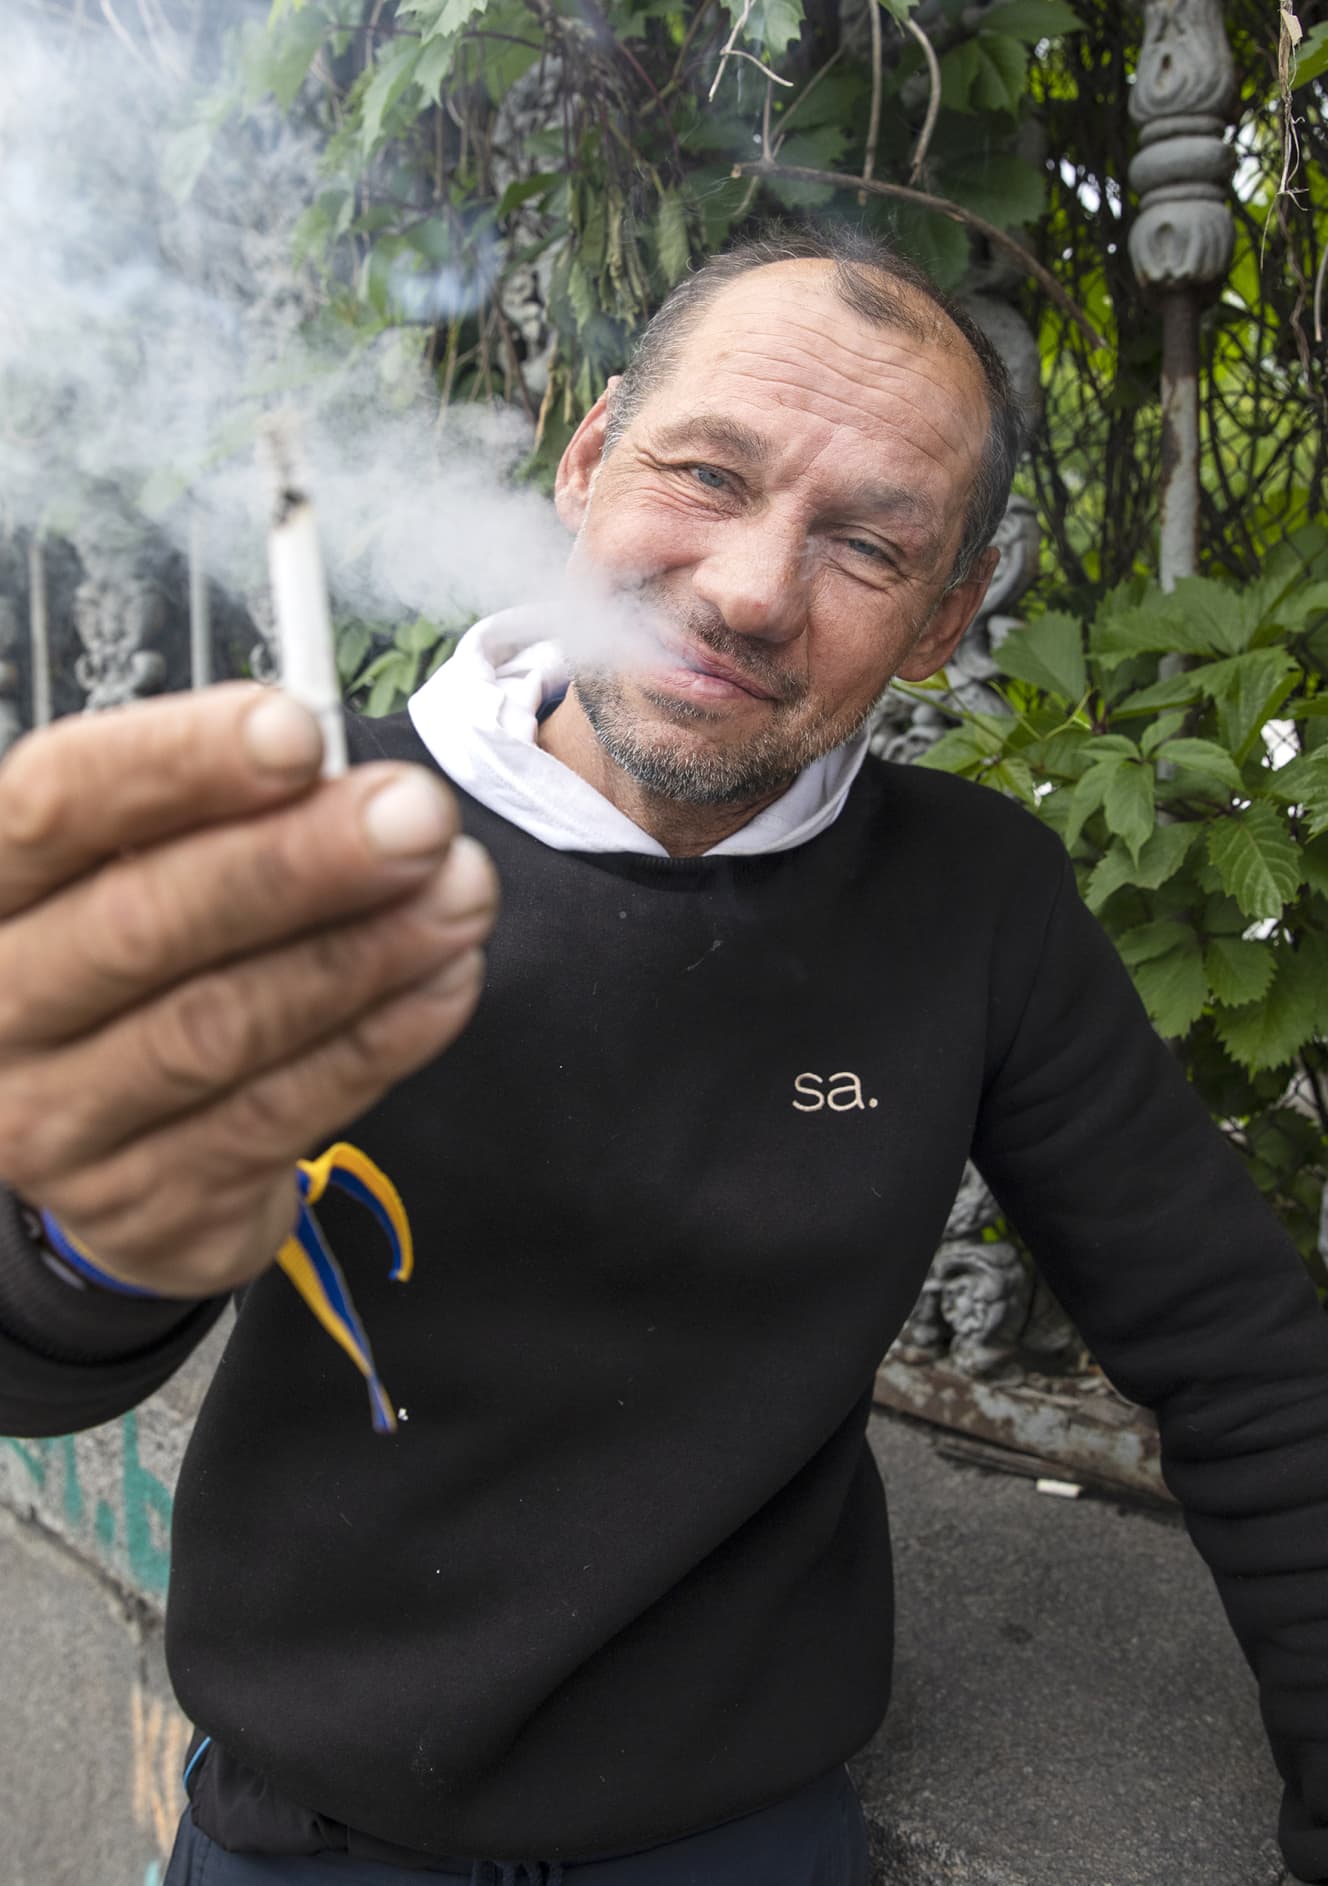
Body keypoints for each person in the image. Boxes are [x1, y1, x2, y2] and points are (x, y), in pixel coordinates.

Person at [0, 224, 1325, 1886]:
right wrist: (89, 1233)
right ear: (586, 459)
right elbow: (34, 1358)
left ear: (946, 617)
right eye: (708, 472)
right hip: (298, 1830)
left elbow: (1244, 1360)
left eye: (867, 543)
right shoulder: (313, 828)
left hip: (739, 1836)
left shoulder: (974, 902)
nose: (754, 587)